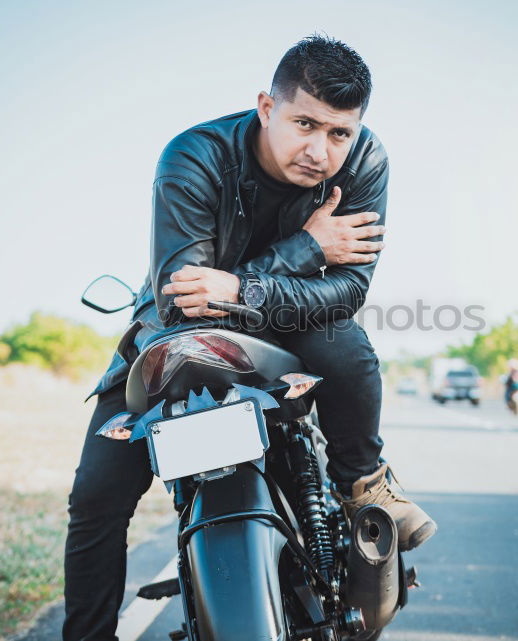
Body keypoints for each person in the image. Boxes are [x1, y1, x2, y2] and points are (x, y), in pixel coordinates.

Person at [63, 35, 437, 640]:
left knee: (351, 349)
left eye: (338, 133)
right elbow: (183, 302)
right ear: (266, 107)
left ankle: (364, 483)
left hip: (302, 331)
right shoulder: (195, 155)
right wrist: (307, 249)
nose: (320, 151)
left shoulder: (366, 163)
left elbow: (348, 293)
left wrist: (237, 290)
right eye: (304, 123)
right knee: (96, 499)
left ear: (358, 130)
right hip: (180, 339)